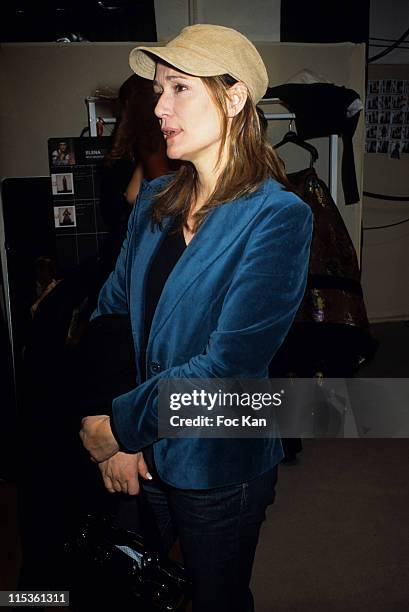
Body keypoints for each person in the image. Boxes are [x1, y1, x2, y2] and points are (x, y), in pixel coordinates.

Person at [80, 24, 313, 611]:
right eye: (158, 90)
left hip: (218, 457)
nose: (159, 107)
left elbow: (227, 366)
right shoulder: (157, 202)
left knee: (217, 597)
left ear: (235, 99)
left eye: (179, 88)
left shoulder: (278, 217)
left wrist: (117, 430)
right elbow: (109, 316)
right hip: (137, 445)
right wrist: (110, 427)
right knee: (141, 587)